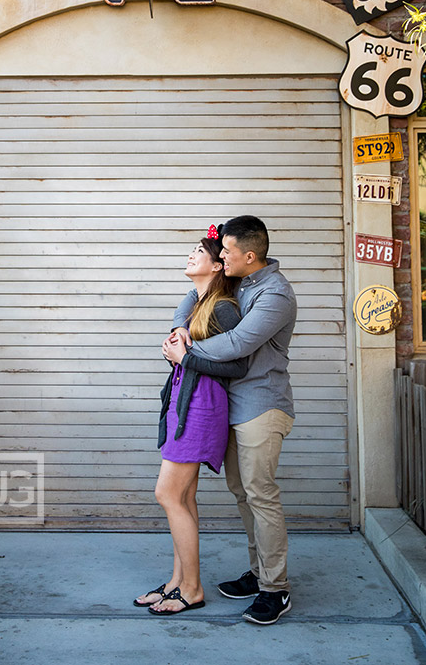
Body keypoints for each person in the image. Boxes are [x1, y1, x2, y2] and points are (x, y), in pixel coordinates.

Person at [162, 215, 296, 626]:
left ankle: (276, 589)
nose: (221, 257)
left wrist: (188, 353)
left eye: (228, 252)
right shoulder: (241, 279)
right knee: (243, 494)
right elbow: (193, 296)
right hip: (230, 404)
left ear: (249, 256)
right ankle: (258, 574)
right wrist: (179, 329)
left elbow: (239, 343)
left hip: (260, 404)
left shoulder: (275, 294)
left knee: (261, 495)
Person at [134, 225, 249, 617]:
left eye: (199, 251)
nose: (190, 255)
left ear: (218, 265)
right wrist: (175, 347)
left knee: (167, 494)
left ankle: (193, 588)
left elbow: (238, 363)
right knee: (182, 497)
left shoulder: (222, 308)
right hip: (186, 400)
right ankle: (176, 582)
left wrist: (186, 357)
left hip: (202, 405)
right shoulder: (198, 304)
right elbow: (189, 349)